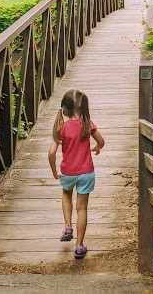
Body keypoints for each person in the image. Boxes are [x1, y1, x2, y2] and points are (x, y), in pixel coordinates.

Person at [48, 88, 105, 259]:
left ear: (65, 108)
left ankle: (67, 226)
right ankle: (79, 246)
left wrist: (53, 170)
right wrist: (96, 148)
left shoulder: (62, 128)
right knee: (82, 208)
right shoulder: (88, 124)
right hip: (86, 172)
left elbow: (51, 153)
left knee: (66, 195)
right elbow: (101, 141)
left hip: (68, 172)